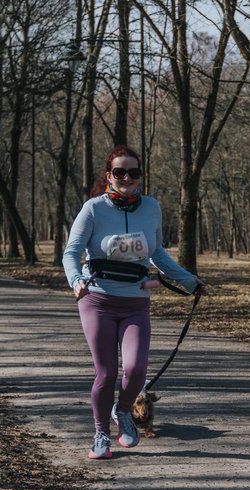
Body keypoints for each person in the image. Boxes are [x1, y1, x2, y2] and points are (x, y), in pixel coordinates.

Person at [63, 145, 204, 460]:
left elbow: (158, 254)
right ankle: (101, 435)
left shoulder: (151, 207)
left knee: (137, 369)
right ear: (109, 176)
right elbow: (71, 253)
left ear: (140, 176)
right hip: (97, 299)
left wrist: (189, 280)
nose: (127, 177)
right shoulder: (93, 209)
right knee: (106, 373)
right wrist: (76, 280)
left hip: (135, 302)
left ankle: (123, 411)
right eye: (119, 172)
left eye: (134, 172)